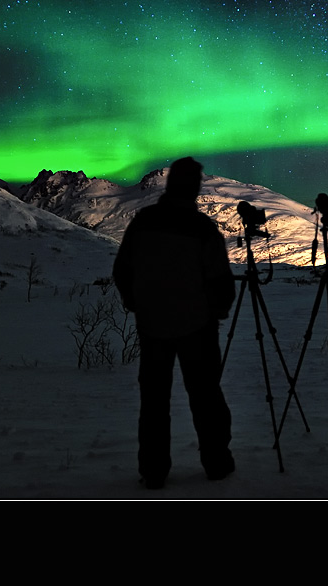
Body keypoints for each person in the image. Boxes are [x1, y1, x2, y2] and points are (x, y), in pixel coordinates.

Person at [112, 157, 236, 489]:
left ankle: (153, 471)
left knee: (154, 402)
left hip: (151, 326)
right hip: (198, 327)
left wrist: (137, 304)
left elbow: (122, 270)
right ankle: (217, 463)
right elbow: (220, 280)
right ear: (195, 188)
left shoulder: (143, 221)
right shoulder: (201, 228)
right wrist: (217, 310)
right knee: (206, 396)